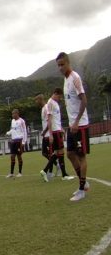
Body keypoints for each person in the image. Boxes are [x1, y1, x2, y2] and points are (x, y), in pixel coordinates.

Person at [57, 52, 90, 201]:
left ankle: (82, 189)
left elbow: (84, 100)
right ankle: (84, 182)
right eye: (58, 65)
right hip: (72, 126)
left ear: (68, 63)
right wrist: (70, 124)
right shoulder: (65, 80)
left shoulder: (75, 78)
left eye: (62, 64)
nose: (60, 68)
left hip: (80, 125)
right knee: (70, 153)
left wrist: (76, 121)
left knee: (81, 156)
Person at [36, 89, 72, 182]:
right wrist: (51, 134)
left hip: (57, 130)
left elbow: (56, 119)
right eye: (59, 96)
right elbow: (50, 119)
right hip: (55, 132)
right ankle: (63, 175)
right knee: (60, 152)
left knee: (57, 153)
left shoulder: (55, 103)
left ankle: (46, 171)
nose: (60, 99)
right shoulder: (50, 103)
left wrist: (62, 129)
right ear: (55, 94)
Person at [6, 109, 27, 178]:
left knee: (19, 157)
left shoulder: (21, 121)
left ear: (17, 114)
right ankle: (11, 173)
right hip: (13, 141)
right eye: (12, 114)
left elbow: (24, 131)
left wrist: (24, 141)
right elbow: (12, 129)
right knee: (12, 156)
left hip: (19, 141)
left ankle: (20, 172)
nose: (12, 115)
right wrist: (8, 133)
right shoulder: (12, 121)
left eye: (13, 114)